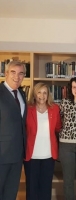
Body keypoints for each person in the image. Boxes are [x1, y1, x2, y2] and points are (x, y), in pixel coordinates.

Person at [24, 82, 62, 200]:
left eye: (45, 92)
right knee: (32, 188)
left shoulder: (54, 108)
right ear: (34, 94)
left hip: (48, 156)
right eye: (39, 92)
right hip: (31, 155)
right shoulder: (28, 109)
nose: (42, 95)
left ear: (48, 95)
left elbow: (58, 127)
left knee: (46, 188)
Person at [0, 61, 27, 200]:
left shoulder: (22, 94)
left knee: (11, 193)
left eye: (21, 73)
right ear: (5, 74)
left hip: (17, 155)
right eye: (13, 72)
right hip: (2, 155)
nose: (17, 76)